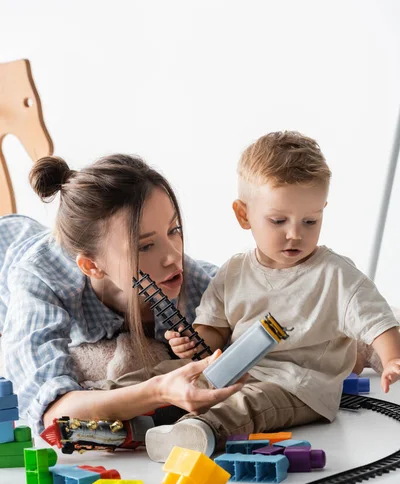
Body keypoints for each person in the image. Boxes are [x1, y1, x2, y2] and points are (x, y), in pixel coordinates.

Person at [104, 131, 400, 462]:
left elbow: (378, 321)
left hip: (297, 386)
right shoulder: (234, 271)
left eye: (310, 220)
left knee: (247, 406)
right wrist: (193, 344)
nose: (294, 233)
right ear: (244, 215)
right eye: (278, 220)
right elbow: (213, 331)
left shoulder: (336, 275)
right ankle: (106, 402)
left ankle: (194, 431)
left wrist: (391, 360)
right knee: (167, 371)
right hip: (234, 369)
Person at [0, 154, 245, 435]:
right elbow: (54, 414)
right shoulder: (38, 278)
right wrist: (158, 390)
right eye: (145, 246)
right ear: (92, 266)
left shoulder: (198, 281)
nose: (173, 256)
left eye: (174, 230)